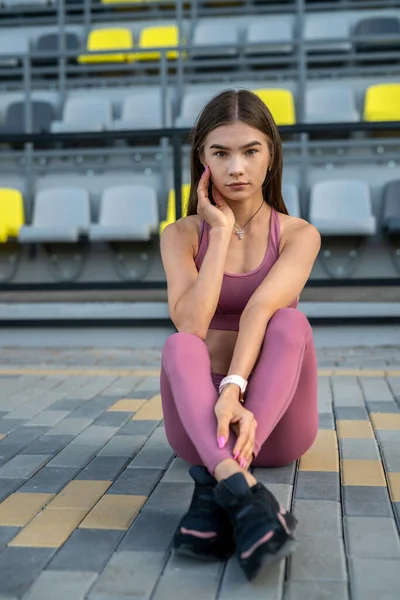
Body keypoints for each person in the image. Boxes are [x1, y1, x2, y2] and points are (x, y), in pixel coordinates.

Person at [159, 89, 321, 581]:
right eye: (220, 153)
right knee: (180, 344)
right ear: (201, 160)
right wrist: (221, 233)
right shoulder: (181, 234)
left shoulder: (298, 234)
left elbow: (259, 310)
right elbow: (190, 322)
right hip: (199, 424)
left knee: (290, 322)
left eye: (250, 151)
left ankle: (217, 488)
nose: (236, 168)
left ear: (271, 155)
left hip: (270, 423)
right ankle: (243, 492)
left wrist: (233, 388)